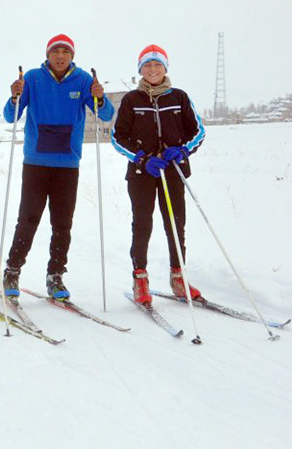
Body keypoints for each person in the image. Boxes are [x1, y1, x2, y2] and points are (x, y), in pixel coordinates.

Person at [1, 34, 114, 300]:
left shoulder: (85, 80)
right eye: (55, 51)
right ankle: (12, 271)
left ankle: (55, 276)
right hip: (36, 163)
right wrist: (14, 95)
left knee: (62, 224)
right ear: (48, 54)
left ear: (72, 56)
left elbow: (106, 115)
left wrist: (101, 97)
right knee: (27, 220)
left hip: (67, 164)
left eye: (65, 51)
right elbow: (10, 115)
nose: (60, 56)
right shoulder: (31, 77)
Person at [111, 44, 205, 304]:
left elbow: (198, 132)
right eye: (147, 65)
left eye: (157, 64)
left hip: (173, 171)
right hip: (143, 172)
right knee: (142, 224)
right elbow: (118, 138)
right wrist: (141, 157)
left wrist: (182, 151)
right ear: (141, 70)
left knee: (175, 224)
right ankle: (140, 278)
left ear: (165, 68)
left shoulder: (179, 97)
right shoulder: (132, 99)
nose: (153, 70)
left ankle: (178, 277)